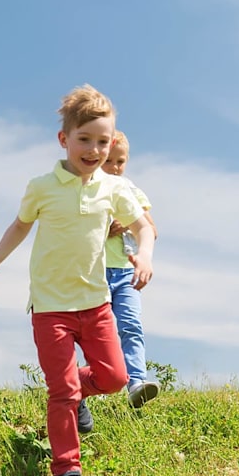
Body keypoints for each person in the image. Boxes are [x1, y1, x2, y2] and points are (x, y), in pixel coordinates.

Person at [0, 85, 155, 476]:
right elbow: (20, 226)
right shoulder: (42, 186)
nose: (94, 149)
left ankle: (76, 392)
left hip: (96, 305)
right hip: (50, 310)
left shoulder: (114, 189)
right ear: (65, 139)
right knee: (61, 392)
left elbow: (143, 227)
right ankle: (67, 471)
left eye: (103, 141)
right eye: (85, 139)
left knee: (114, 378)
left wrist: (145, 254)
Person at [102, 130, 159, 408]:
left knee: (131, 325)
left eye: (120, 161)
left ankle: (136, 382)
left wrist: (127, 222)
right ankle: (100, 383)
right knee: (98, 333)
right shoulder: (87, 190)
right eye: (108, 161)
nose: (114, 167)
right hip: (95, 272)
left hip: (125, 272)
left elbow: (152, 230)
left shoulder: (130, 190)